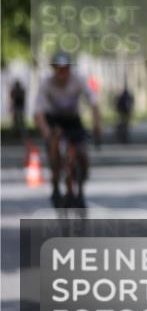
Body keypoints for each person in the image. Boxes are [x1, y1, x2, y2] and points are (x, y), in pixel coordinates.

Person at [34, 51, 101, 208]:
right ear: (54, 70)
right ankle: (56, 185)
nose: (62, 73)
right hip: (54, 121)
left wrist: (97, 125)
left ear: (70, 69)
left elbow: (93, 103)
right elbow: (38, 113)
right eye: (59, 69)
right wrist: (47, 135)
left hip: (73, 121)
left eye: (65, 69)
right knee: (55, 149)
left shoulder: (78, 80)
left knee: (82, 154)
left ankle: (80, 188)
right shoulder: (46, 84)